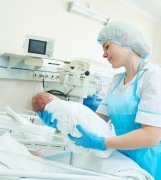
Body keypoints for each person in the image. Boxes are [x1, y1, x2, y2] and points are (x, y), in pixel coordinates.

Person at [37, 20, 161, 180]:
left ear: (126, 41)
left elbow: (151, 136)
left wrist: (102, 142)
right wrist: (62, 120)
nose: (103, 54)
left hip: (151, 160)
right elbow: (95, 120)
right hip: (123, 157)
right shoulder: (117, 81)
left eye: (107, 46)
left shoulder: (153, 76)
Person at [32, 92, 115, 158]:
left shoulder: (61, 105)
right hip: (110, 143)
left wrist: (100, 142)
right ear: (50, 99)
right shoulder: (116, 83)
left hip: (115, 145)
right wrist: (59, 124)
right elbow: (96, 118)